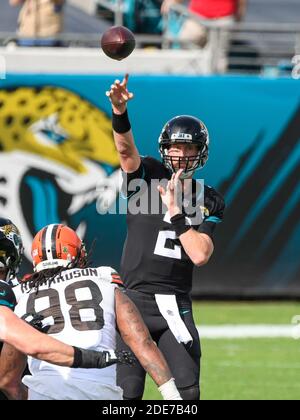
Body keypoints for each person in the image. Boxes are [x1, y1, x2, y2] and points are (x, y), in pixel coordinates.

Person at [105, 74, 225, 400]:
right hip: (134, 301)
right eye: (176, 146)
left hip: (175, 304)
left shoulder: (208, 198)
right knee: (126, 395)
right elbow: (126, 151)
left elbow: (200, 254)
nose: (182, 154)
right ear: (164, 148)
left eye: (189, 147)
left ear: (201, 152)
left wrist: (176, 215)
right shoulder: (147, 176)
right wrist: (119, 111)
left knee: (187, 395)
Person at [0, 223, 181, 400]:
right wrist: (172, 395)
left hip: (45, 389)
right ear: (77, 251)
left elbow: (8, 380)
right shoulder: (103, 278)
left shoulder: (18, 296)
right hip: (100, 391)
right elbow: (141, 341)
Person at [161, 0, 247, 72]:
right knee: (184, 48)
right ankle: (185, 84)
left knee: (217, 60)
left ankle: (216, 88)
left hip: (222, 19)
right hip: (195, 17)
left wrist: (239, 16)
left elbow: (241, 3)